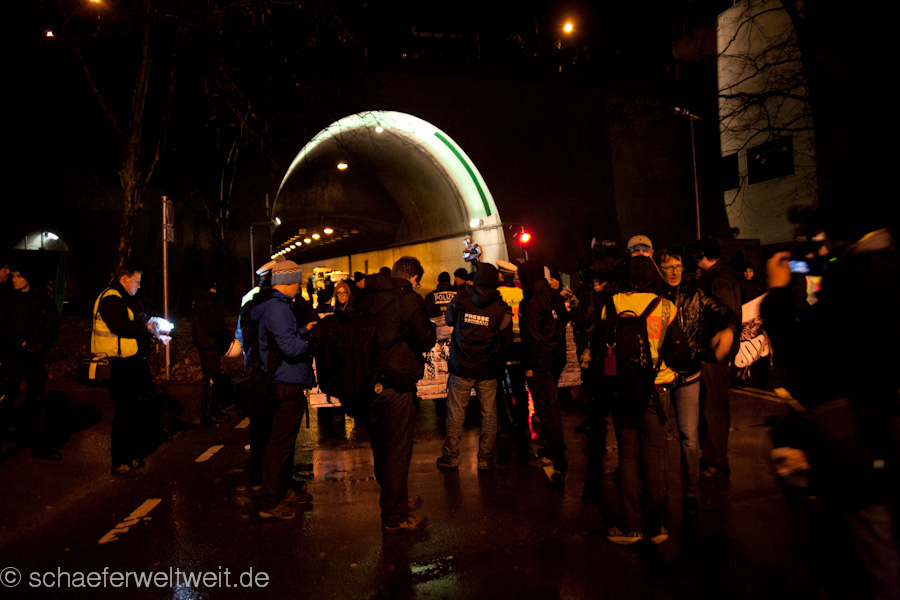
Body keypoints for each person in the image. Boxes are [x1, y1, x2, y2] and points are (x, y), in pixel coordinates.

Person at [762, 194, 900, 600]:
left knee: (873, 554)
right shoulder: (888, 264)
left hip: (860, 435)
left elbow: (806, 349)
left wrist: (777, 294)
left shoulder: (855, 275)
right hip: (884, 426)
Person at [601, 256, 688, 545]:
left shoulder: (611, 304)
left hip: (622, 389)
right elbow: (679, 352)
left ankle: (631, 526)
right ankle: (657, 525)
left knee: (627, 455)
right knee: (653, 456)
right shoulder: (666, 307)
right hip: (656, 389)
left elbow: (601, 344)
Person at [357, 256, 437, 533]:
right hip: (396, 385)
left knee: (381, 450)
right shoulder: (410, 299)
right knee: (398, 452)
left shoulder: (367, 299)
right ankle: (395, 515)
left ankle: (396, 499)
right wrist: (432, 328)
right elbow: (425, 339)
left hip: (367, 385)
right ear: (414, 278)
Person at [658, 248, 739, 515]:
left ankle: (690, 492)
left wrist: (728, 331)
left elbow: (727, 314)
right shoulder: (653, 296)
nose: (674, 271)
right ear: (659, 270)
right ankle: (659, 491)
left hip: (689, 373)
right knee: (658, 437)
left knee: (689, 437)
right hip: (660, 375)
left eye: (678, 266)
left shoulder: (696, 294)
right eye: (668, 267)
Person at [250, 259, 316, 520]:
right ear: (288, 282)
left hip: (281, 380)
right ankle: (270, 501)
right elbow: (289, 347)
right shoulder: (278, 308)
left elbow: (284, 338)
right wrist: (311, 340)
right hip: (285, 382)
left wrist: (302, 330)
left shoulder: (275, 305)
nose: (299, 286)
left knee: (283, 445)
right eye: (297, 281)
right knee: (279, 446)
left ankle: (283, 490)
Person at [437, 263, 512, 472]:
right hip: (488, 368)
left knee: (456, 413)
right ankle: (485, 458)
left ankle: (451, 457)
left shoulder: (461, 299)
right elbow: (506, 339)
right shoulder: (501, 307)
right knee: (489, 414)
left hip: (461, 366)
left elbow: (449, 320)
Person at [91, 264, 161, 478]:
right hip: (120, 364)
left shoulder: (126, 298)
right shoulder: (111, 298)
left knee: (135, 410)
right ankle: (120, 461)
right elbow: (119, 326)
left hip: (133, 361)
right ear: (124, 279)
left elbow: (135, 321)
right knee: (125, 411)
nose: (139, 286)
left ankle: (129, 456)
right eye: (136, 281)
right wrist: (146, 329)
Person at [517, 259, 570, 482]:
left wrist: (529, 366)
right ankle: (551, 450)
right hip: (557, 358)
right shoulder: (554, 295)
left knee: (547, 410)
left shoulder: (531, 302)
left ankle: (558, 457)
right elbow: (564, 320)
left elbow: (532, 337)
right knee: (550, 406)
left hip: (540, 362)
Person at [2, 265, 61, 459]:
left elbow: (52, 325)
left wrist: (41, 345)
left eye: (18, 276)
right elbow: (4, 325)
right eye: (13, 276)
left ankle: (40, 444)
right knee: (6, 397)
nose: (14, 279)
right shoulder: (8, 299)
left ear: (28, 278)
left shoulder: (43, 300)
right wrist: (20, 343)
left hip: (35, 356)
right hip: (14, 355)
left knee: (38, 398)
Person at [695, 238, 742, 479]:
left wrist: (719, 345)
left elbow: (725, 316)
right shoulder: (719, 276)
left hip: (714, 353)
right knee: (711, 407)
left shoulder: (718, 279)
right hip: (714, 352)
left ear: (703, 255)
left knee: (712, 408)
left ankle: (715, 460)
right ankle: (712, 457)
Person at [191, 278, 233, 427]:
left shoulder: (202, 301)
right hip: (209, 345)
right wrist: (225, 334)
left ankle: (212, 412)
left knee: (213, 378)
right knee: (211, 379)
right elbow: (212, 325)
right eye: (214, 287)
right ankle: (208, 415)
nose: (215, 290)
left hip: (208, 344)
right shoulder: (206, 302)